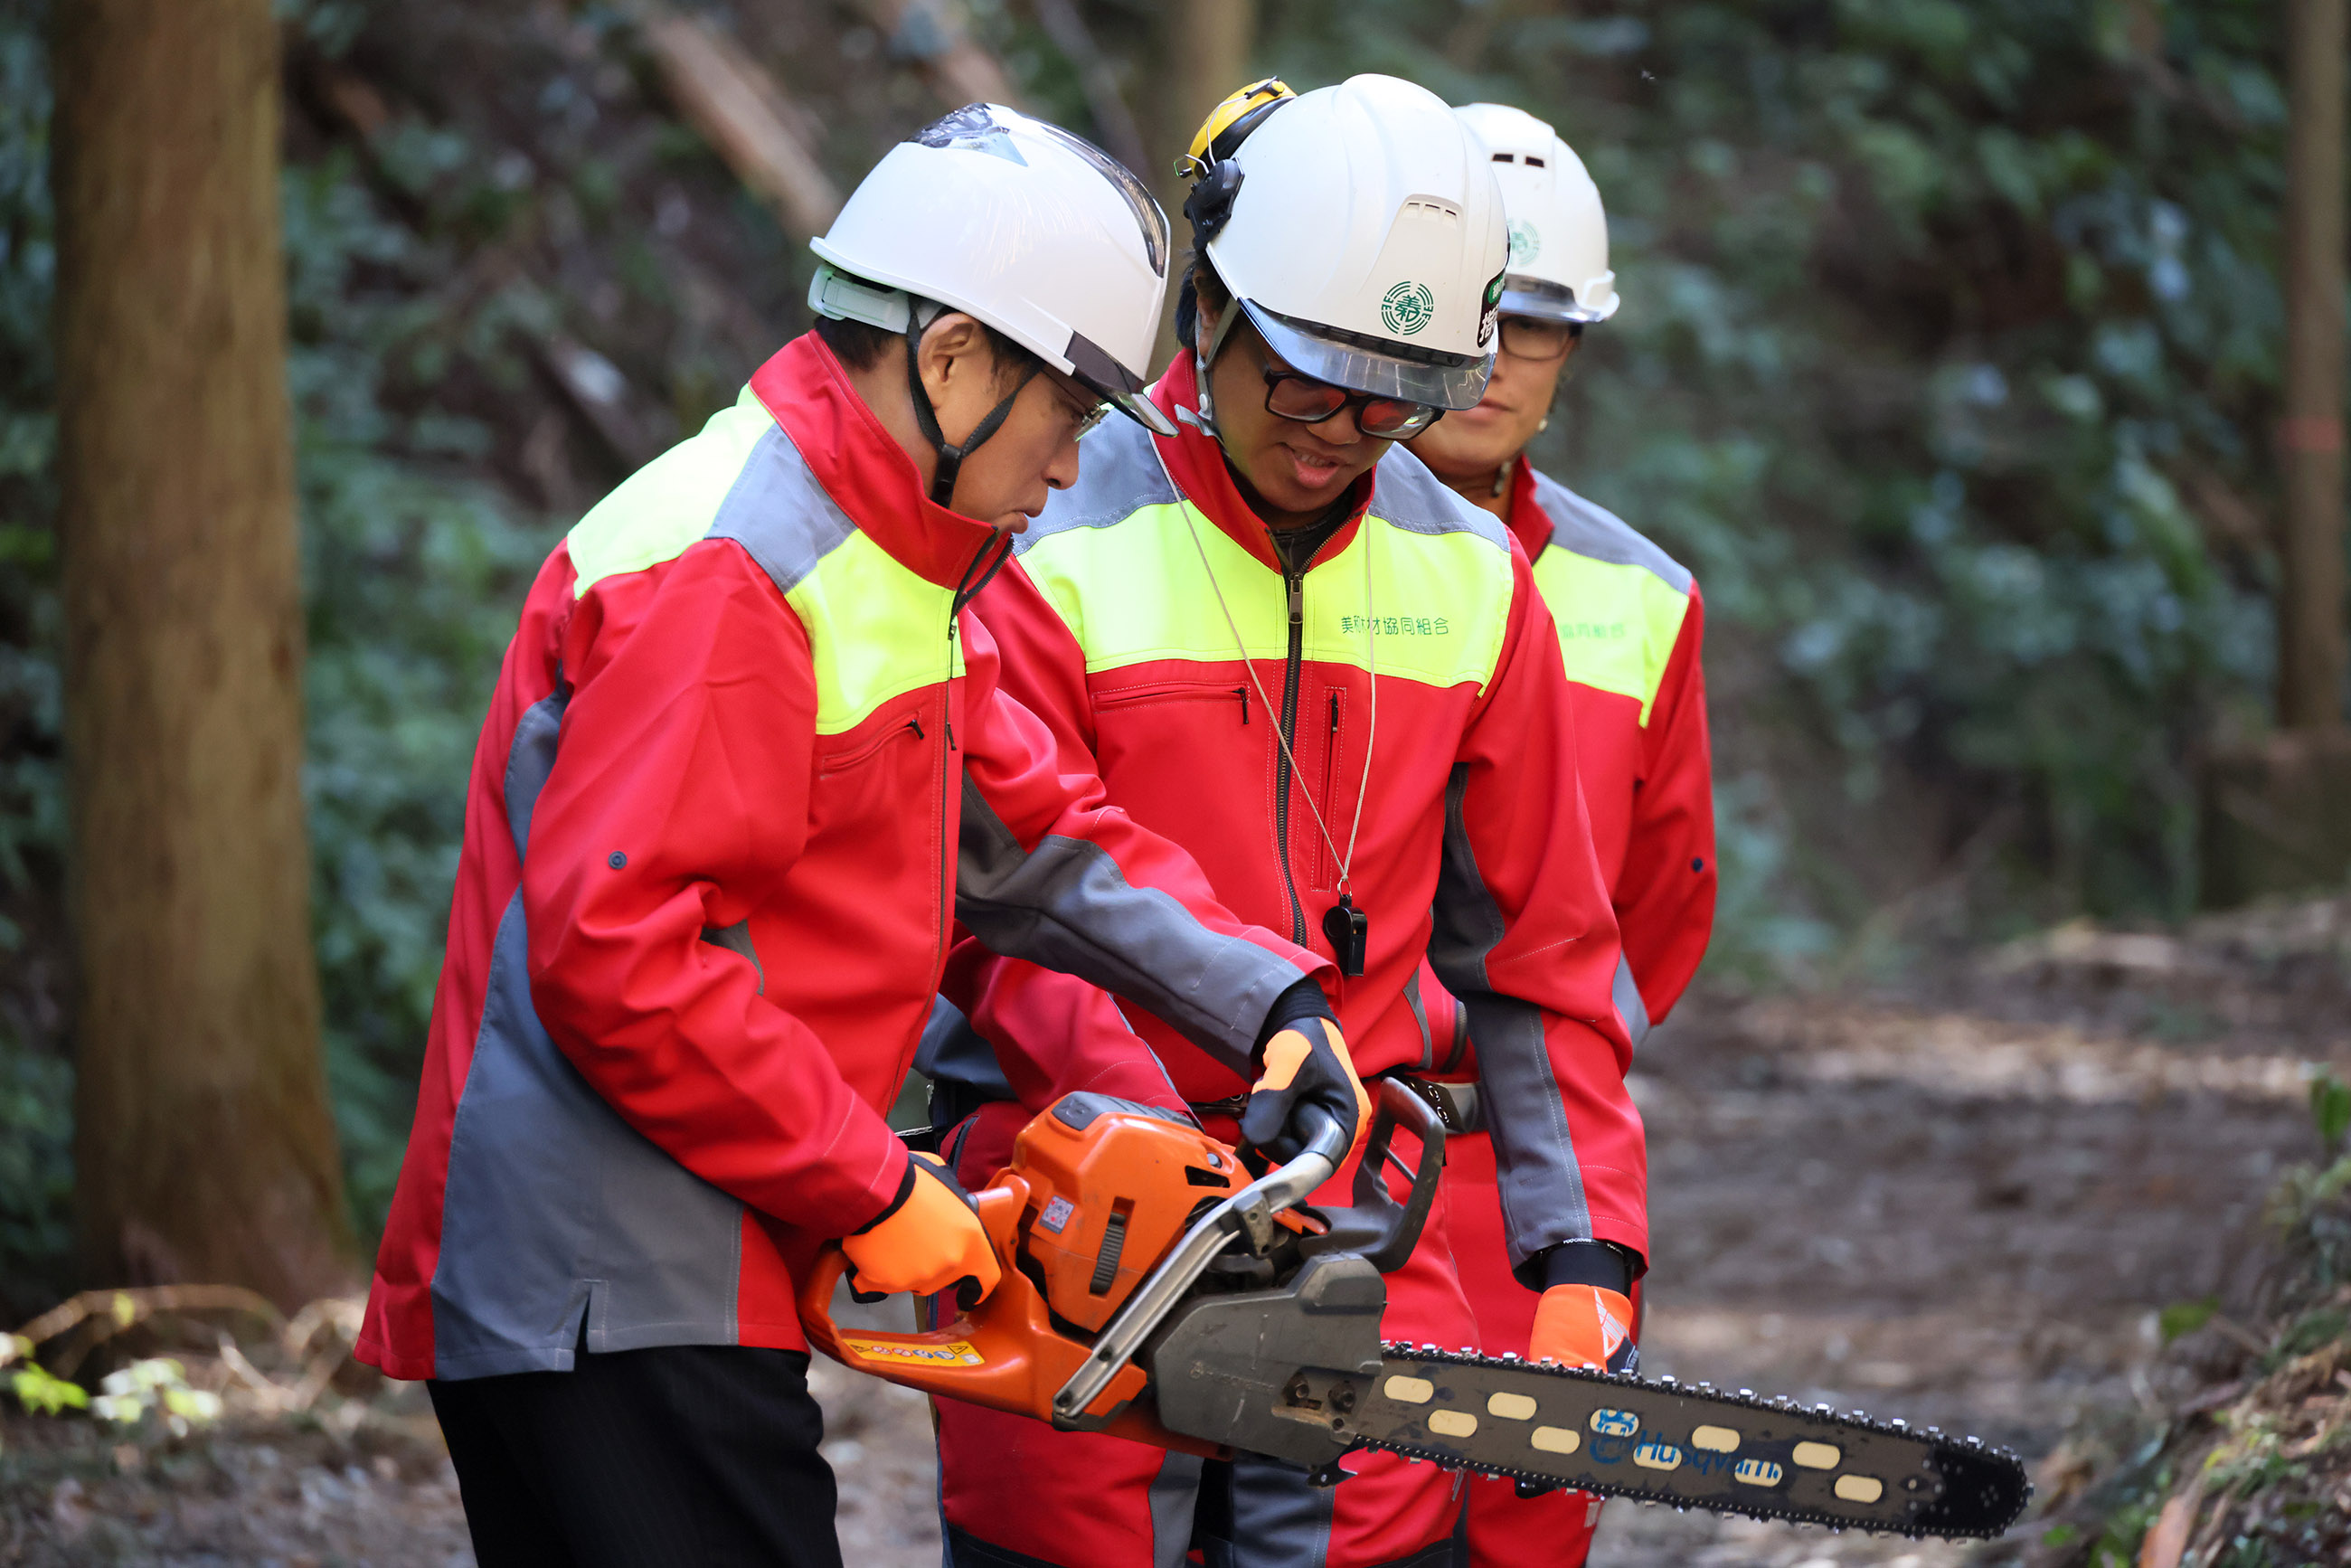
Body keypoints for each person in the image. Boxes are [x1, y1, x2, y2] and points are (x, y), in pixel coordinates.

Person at [353, 103, 1374, 1568]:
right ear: (952, 356)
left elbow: (1034, 842)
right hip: (606, 1279)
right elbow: (617, 957)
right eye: (1069, 411)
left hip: (685, 1267)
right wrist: (872, 1179)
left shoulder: (893, 565)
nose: (1076, 463)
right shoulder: (735, 576)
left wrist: (1267, 997)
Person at [923, 77, 1648, 1568]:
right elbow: (1006, 911)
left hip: (1357, 1212)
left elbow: (1545, 950)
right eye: (1306, 386)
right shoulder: (1050, 530)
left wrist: (1583, 1248)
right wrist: (1174, 1167)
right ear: (1215, 312)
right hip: (1078, 1198)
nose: (1339, 435)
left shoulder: (1470, 579)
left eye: (1389, 401)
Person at [1408, 100, 1717, 1568]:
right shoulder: (1270, 564)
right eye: (1469, 318)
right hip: (1319, 1143)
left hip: (1538, 1160)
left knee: (1526, 1530)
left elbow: (1662, 902)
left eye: (1528, 328)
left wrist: (1550, 1097)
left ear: (1572, 352)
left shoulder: (1638, 594)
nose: (1489, 362)